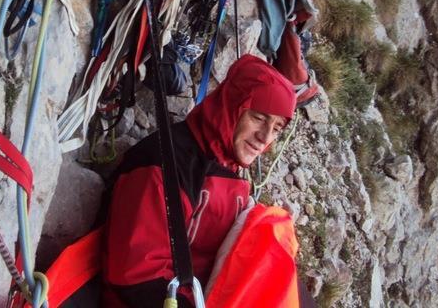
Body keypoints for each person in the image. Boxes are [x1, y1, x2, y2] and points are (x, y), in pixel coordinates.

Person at [100, 54, 296, 307]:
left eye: (277, 128)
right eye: (258, 117)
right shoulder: (165, 165)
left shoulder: (228, 162)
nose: (264, 137)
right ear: (231, 106)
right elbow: (136, 276)